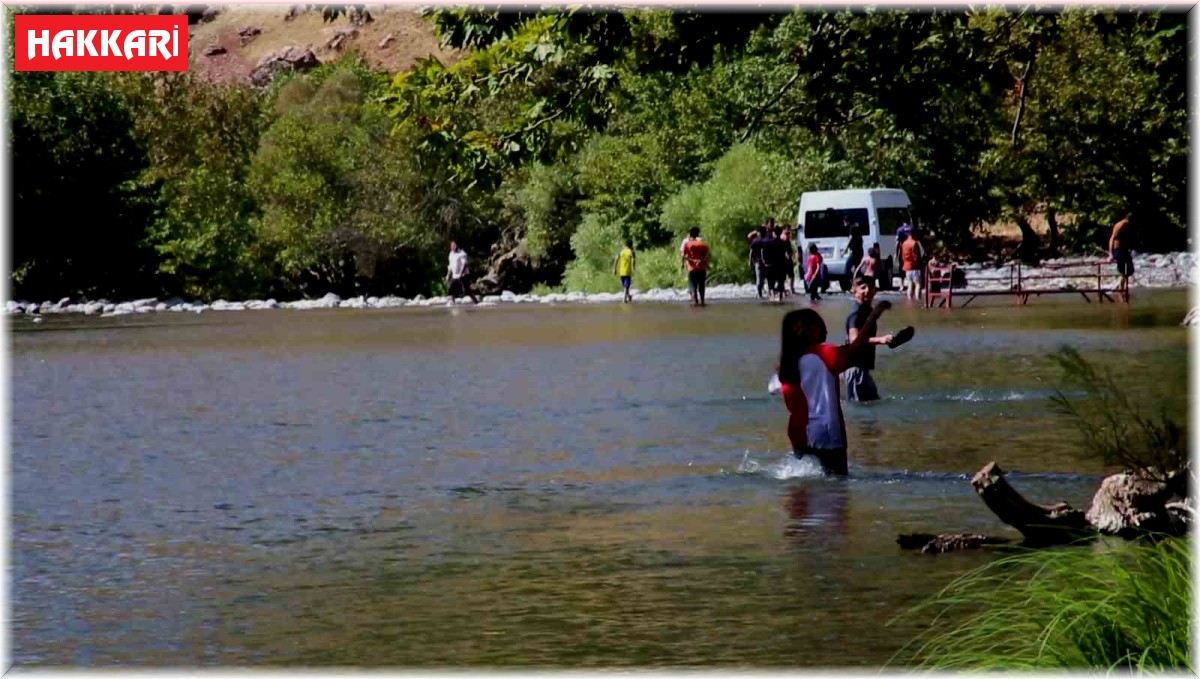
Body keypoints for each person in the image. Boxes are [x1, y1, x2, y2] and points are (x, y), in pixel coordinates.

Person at [776, 303, 891, 475]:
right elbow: (855, 350)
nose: (826, 330)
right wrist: (873, 317)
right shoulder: (823, 354)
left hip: (798, 432)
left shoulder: (786, 364)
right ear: (807, 330)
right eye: (820, 325)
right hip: (826, 433)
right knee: (836, 485)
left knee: (807, 486)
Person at [843, 275, 895, 403]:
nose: (867, 290)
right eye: (863, 287)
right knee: (859, 407)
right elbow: (854, 340)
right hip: (855, 369)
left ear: (875, 291)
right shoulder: (856, 314)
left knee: (873, 403)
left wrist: (880, 310)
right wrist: (880, 340)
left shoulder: (867, 310)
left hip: (862, 368)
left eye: (871, 287)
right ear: (854, 291)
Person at [681, 226, 711, 307]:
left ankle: (695, 303)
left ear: (690, 235)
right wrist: (703, 262)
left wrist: (691, 261)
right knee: (702, 285)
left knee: (693, 286)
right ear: (698, 234)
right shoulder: (703, 244)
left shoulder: (687, 244)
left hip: (692, 268)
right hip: (702, 268)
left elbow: (683, 256)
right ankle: (702, 302)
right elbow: (707, 255)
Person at [762, 225, 792, 302]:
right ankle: (780, 297)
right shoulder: (784, 243)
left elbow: (764, 253)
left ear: (774, 233)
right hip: (781, 264)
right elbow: (789, 254)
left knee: (771, 282)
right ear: (780, 232)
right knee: (781, 281)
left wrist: (765, 262)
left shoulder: (769, 243)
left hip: (772, 265)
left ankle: (772, 296)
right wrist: (788, 261)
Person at [1108, 213, 1135, 296]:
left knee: (1130, 269)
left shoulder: (1128, 226)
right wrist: (1111, 254)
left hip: (1124, 249)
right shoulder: (1121, 225)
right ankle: (1120, 288)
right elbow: (1112, 238)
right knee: (1123, 269)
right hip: (1118, 249)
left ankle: (1120, 286)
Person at [900, 228, 925, 303]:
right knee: (918, 284)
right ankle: (918, 301)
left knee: (910, 284)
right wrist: (919, 265)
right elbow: (916, 257)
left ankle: (910, 301)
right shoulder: (914, 243)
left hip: (907, 267)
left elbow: (902, 256)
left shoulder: (904, 243)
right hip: (914, 267)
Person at [748, 226, 771, 298]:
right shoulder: (767, 241)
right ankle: (770, 293)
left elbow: (751, 252)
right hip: (767, 262)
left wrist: (750, 261)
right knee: (768, 278)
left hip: (758, 262)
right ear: (765, 232)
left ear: (759, 232)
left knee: (759, 278)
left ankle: (760, 294)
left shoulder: (755, 241)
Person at [894, 221, 914, 292]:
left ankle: (901, 285)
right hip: (912, 249)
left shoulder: (899, 229)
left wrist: (896, 253)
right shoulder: (912, 228)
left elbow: (897, 242)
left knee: (902, 267)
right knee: (911, 266)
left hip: (903, 250)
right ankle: (911, 284)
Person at [781, 226, 798, 295]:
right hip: (785, 260)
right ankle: (789, 289)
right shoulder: (784, 239)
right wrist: (788, 256)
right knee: (789, 275)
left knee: (786, 276)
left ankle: (788, 290)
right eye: (787, 233)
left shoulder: (784, 239)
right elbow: (786, 251)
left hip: (785, 259)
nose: (789, 235)